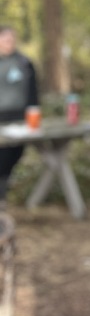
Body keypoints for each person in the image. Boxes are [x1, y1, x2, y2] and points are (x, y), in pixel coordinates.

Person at [0, 25, 39, 206]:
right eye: (6, 39)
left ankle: (4, 190)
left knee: (15, 153)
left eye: (12, 39)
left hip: (20, 116)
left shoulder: (24, 62)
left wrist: (34, 111)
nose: (10, 43)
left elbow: (33, 90)